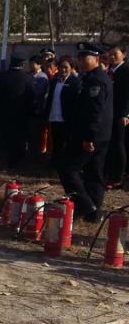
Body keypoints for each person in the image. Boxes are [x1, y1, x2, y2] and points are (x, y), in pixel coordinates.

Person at [59, 43, 113, 223]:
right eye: (80, 58)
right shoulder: (89, 77)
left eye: (86, 58)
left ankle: (84, 204)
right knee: (93, 174)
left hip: (91, 136)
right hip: (98, 135)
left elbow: (95, 112)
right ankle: (92, 213)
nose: (82, 61)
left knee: (68, 168)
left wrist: (89, 137)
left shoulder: (96, 80)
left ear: (96, 59)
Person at [0, 57, 36, 170]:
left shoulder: (1, 76)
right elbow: (31, 97)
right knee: (18, 141)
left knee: (1, 139)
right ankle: (15, 164)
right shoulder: (27, 77)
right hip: (20, 116)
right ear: (22, 64)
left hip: (2, 115)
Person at [45, 55, 80, 166]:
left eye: (66, 67)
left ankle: (66, 165)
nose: (63, 70)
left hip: (67, 119)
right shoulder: (55, 81)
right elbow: (50, 98)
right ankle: (55, 163)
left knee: (67, 143)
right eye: (61, 67)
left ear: (71, 67)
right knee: (56, 142)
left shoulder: (75, 82)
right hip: (55, 117)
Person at [105, 45, 129, 188]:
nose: (112, 56)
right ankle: (110, 172)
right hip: (110, 112)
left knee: (119, 144)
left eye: (116, 54)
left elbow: (127, 94)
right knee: (111, 143)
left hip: (120, 113)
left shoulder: (125, 70)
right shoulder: (110, 71)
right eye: (111, 54)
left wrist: (126, 113)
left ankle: (119, 176)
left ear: (124, 55)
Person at [29, 55, 51, 155]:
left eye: (33, 63)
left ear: (39, 65)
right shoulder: (29, 75)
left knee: (37, 132)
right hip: (29, 108)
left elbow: (40, 93)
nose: (30, 65)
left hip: (38, 108)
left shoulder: (42, 77)